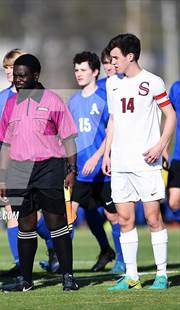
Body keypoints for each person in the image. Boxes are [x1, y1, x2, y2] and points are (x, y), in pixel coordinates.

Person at [0, 54, 79, 291]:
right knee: (25, 224)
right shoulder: (10, 103)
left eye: (22, 76)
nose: (18, 80)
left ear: (35, 76)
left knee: (56, 223)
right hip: (18, 170)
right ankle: (26, 280)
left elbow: (69, 138)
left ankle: (68, 277)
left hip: (49, 167)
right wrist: (2, 174)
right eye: (15, 76)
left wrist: (71, 169)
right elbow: (6, 142)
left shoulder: (53, 100)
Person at [102, 33, 176, 290]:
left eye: (115, 57)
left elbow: (170, 116)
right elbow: (113, 120)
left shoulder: (153, 82)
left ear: (130, 56)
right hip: (121, 163)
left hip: (146, 162)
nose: (112, 62)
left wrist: (160, 146)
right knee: (124, 220)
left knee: (154, 218)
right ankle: (132, 277)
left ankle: (162, 275)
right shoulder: (111, 83)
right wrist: (106, 153)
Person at [0, 49, 58, 278]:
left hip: (39, 163)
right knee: (12, 212)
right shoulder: (2, 98)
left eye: (13, 68)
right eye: (6, 68)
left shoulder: (40, 95)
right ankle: (21, 263)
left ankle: (53, 245)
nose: (9, 72)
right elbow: (0, 136)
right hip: (12, 162)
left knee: (39, 215)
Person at [68, 51, 125, 273]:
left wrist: (98, 156)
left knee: (112, 215)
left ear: (95, 72)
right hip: (81, 172)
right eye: (76, 70)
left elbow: (112, 130)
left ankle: (121, 259)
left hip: (103, 169)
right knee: (70, 216)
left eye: (83, 70)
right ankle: (61, 260)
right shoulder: (72, 101)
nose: (79, 74)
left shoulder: (104, 97)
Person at [166, 80, 180, 222]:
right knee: (173, 202)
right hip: (178, 156)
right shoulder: (176, 88)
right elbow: (171, 119)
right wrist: (165, 148)